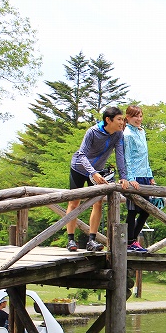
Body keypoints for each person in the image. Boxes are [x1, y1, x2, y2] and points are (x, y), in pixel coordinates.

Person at [65, 106, 131, 252]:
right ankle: (70, 240)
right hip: (79, 168)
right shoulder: (92, 132)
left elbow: (120, 156)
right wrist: (93, 172)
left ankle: (92, 240)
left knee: (98, 203)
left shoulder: (118, 135)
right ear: (108, 120)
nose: (122, 122)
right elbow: (81, 155)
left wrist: (124, 177)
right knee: (74, 202)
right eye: (119, 119)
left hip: (98, 171)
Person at [123, 105, 154, 253]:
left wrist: (150, 175)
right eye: (136, 116)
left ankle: (132, 240)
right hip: (134, 176)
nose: (139, 119)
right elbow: (127, 158)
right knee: (132, 210)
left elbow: (145, 157)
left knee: (147, 209)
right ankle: (129, 243)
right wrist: (130, 178)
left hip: (145, 176)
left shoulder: (142, 132)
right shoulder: (127, 134)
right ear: (128, 117)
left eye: (141, 116)